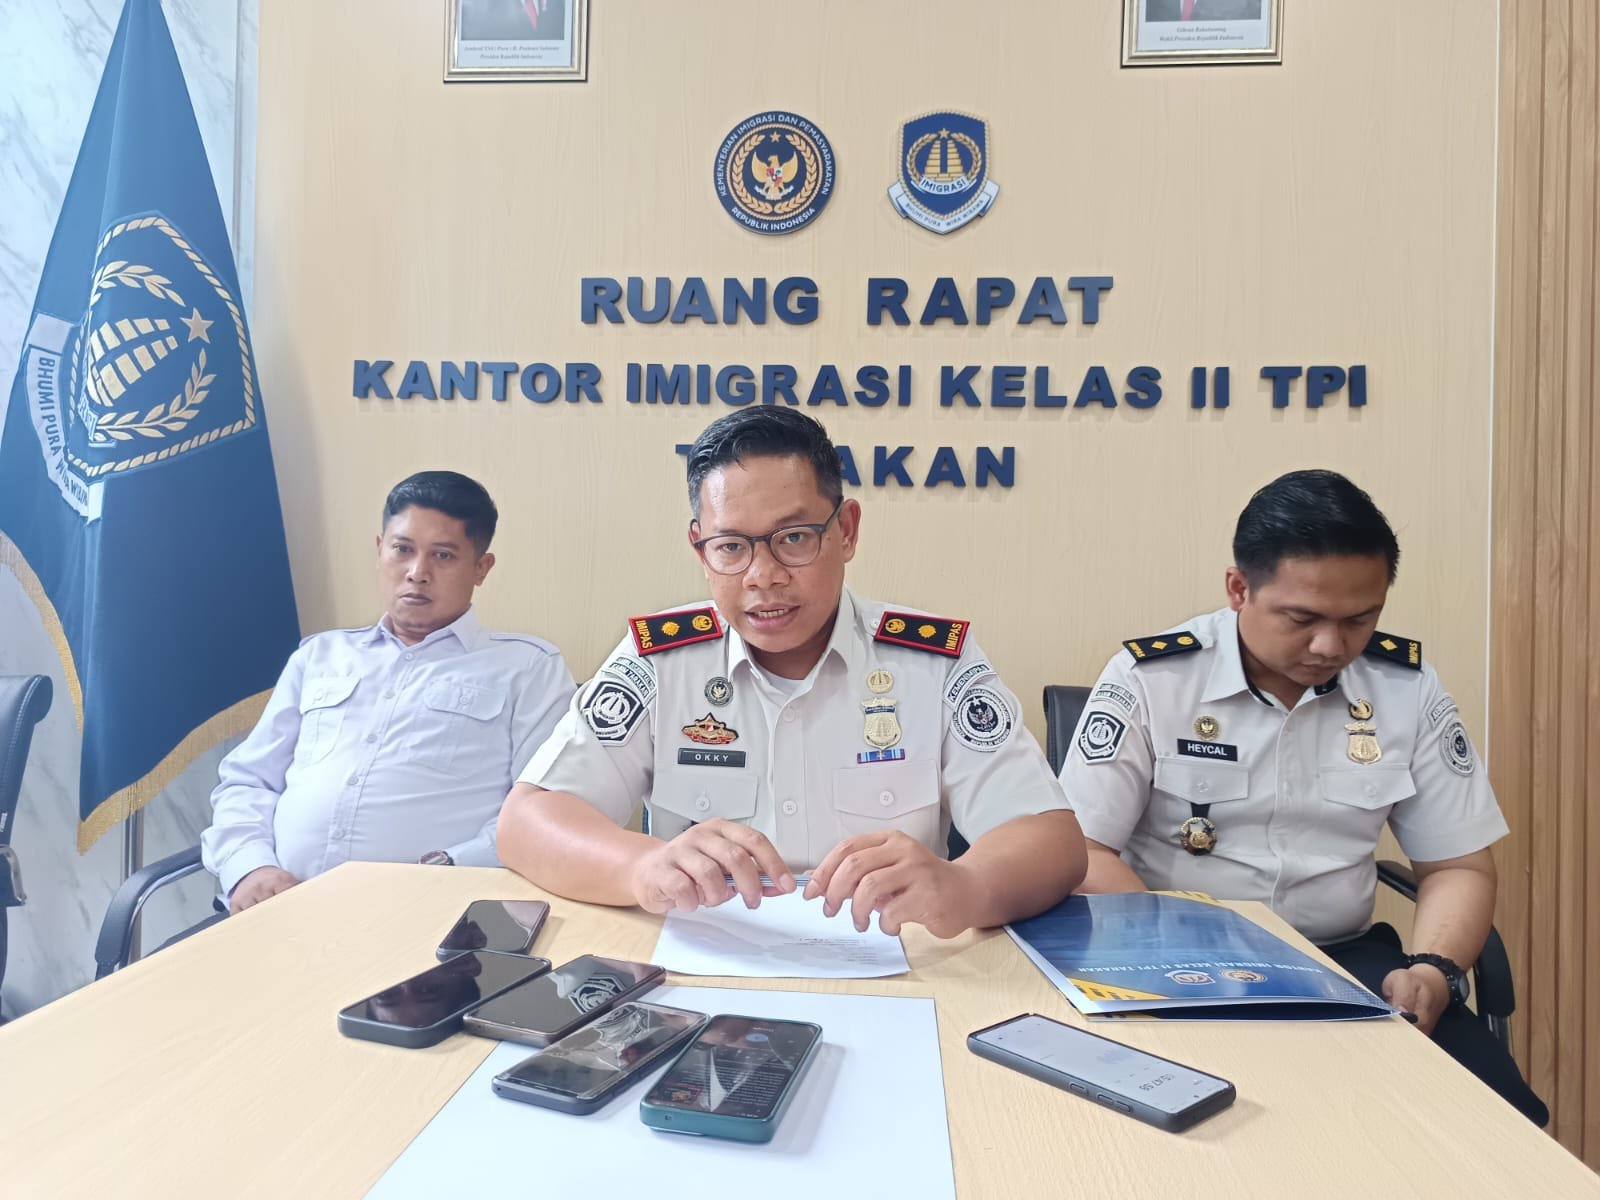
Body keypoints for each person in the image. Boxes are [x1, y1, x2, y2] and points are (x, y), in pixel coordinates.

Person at [1060, 469, 1547, 1124]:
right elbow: (1083, 852)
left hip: (1340, 962)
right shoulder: (1153, 679)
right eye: (1302, 618)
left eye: (1359, 620)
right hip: (1173, 957)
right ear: (1239, 588)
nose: (1329, 646)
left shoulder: (1406, 689)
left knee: (1503, 1122)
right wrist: (1176, 953)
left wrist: (1433, 970)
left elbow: (1458, 864)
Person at [497, 408, 1085, 937]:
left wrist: (966, 885)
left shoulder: (932, 661)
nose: (764, 575)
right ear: (700, 548)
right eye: (731, 546)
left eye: (795, 538)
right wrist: (641, 866)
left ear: (847, 530)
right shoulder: (661, 659)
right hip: (708, 970)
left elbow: (1051, 840)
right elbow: (528, 820)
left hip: (896, 970)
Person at [201, 470, 575, 913]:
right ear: (380, 550)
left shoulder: (527, 668)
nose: (417, 573)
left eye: (443, 555)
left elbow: (543, 813)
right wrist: (250, 868)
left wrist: (445, 869)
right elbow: (249, 781)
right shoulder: (320, 656)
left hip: (430, 914)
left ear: (481, 568)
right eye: (402, 550)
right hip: (278, 909)